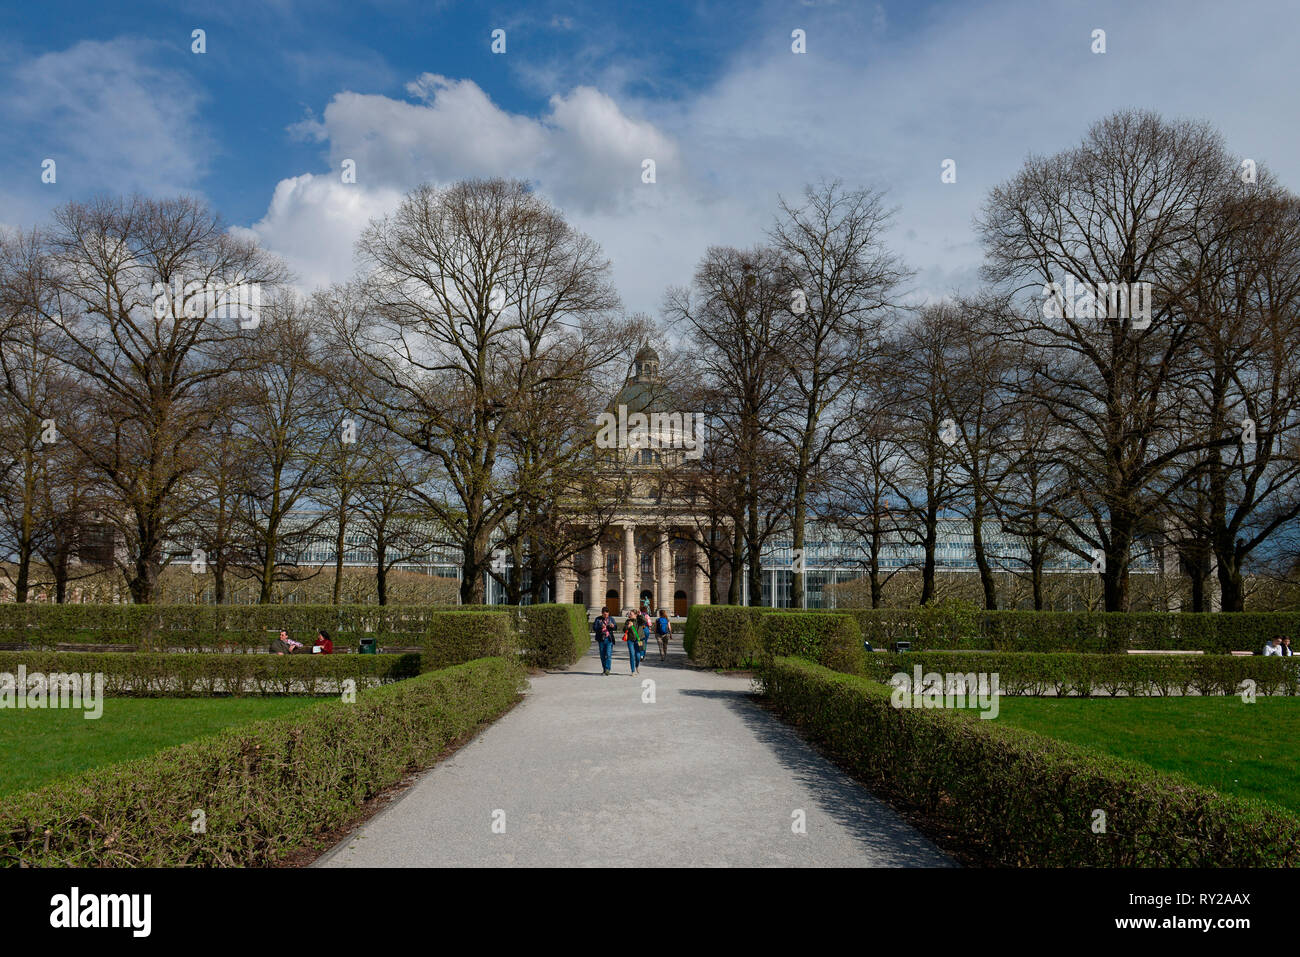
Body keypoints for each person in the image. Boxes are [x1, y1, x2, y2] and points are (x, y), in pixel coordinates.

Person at [593, 607, 616, 675]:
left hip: (609, 639)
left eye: (607, 614)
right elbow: (594, 628)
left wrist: (613, 626)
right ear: (602, 613)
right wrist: (600, 626)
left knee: (608, 654)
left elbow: (615, 627)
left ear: (608, 613)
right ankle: (604, 669)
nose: (606, 615)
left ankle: (608, 669)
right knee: (602, 655)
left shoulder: (611, 619)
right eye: (604, 614)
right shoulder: (598, 619)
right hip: (601, 639)